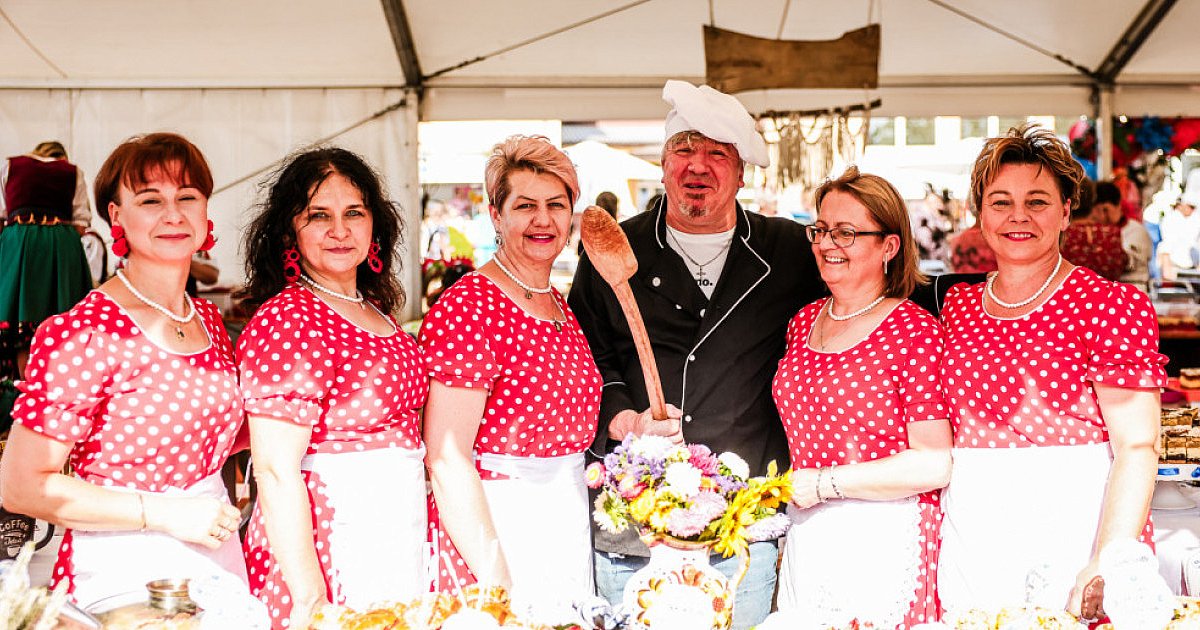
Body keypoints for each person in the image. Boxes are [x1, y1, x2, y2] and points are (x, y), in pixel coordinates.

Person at [568, 80, 823, 630]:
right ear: (662, 164)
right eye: (684, 148)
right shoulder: (616, 248)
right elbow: (587, 360)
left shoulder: (789, 252)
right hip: (633, 524)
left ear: (741, 171)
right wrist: (624, 418)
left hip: (743, 524)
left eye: (716, 152)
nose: (697, 165)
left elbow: (865, 300)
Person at [0, 133, 246, 606]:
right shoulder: (83, 333)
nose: (173, 214)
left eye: (187, 197)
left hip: (214, 555)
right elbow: (21, 486)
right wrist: (165, 514)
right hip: (124, 567)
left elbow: (201, 437)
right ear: (116, 216)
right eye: (151, 200)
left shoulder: (208, 321)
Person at [938, 124, 1167, 619]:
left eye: (1037, 201)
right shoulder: (956, 305)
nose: (1018, 216)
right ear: (980, 213)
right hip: (971, 540)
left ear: (1066, 211)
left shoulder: (1110, 305)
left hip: (1077, 532)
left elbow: (1137, 445)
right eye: (1000, 201)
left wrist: (1107, 558)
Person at [237, 148, 425, 629]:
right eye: (318, 215)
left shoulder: (373, 309)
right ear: (290, 233)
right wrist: (308, 593)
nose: (339, 230)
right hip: (329, 544)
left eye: (353, 213)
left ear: (374, 225)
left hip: (392, 534)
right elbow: (276, 471)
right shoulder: (289, 318)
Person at [421, 135, 600, 622]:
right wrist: (498, 577)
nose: (543, 220)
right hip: (500, 526)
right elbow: (447, 457)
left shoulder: (558, 302)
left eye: (556, 205)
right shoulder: (470, 306)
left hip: (562, 521)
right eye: (525, 206)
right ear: (496, 216)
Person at [772, 166, 951, 628]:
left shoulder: (915, 331)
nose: (829, 244)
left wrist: (825, 483)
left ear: (889, 246)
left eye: (847, 232)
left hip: (883, 537)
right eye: (822, 230)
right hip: (809, 532)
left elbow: (934, 462)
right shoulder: (804, 320)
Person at [0, 141, 94, 378]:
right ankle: (56, 383)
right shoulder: (73, 172)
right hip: (61, 247)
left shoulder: (10, 166)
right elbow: (81, 223)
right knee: (62, 317)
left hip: (19, 244)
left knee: (18, 317)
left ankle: (22, 383)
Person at [1060, 180, 1128, 281]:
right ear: (1093, 200)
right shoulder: (1111, 233)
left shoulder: (1062, 236)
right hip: (1107, 295)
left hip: (1068, 295)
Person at [1092, 181, 1153, 292]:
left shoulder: (1136, 230)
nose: (1102, 216)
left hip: (1131, 291)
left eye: (1106, 210)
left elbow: (1128, 262)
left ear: (1118, 206)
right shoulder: (1093, 231)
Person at [1157, 190, 1200, 281]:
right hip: (1173, 266)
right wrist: (1166, 268)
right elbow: (1166, 244)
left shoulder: (1193, 220)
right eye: (1190, 207)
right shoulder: (1170, 219)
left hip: (1191, 268)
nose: (1192, 210)